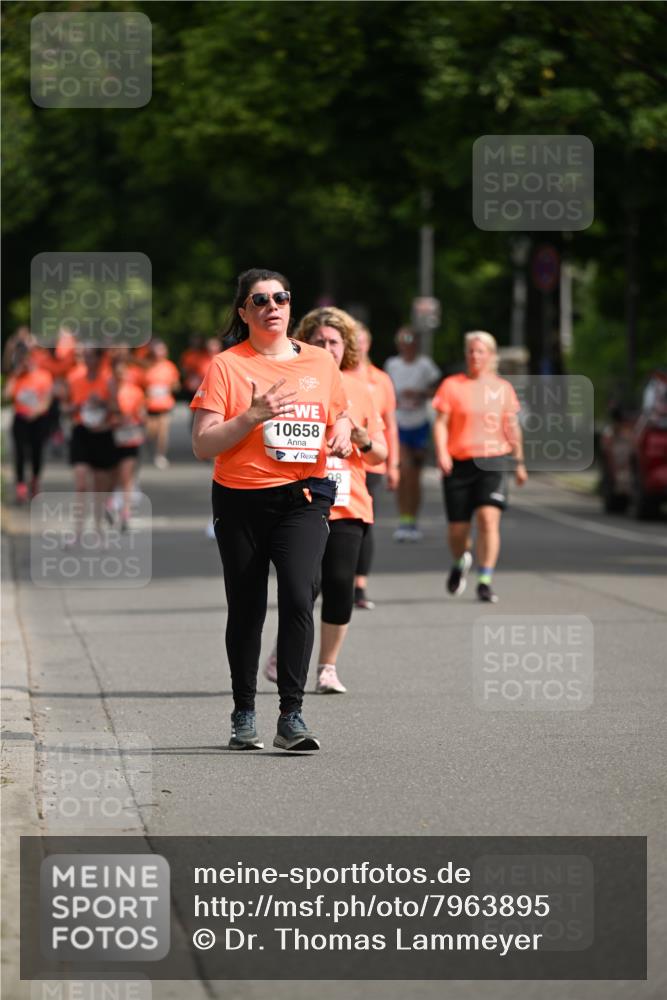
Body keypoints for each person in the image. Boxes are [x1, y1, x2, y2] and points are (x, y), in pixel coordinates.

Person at [191, 268, 352, 752]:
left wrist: (342, 429)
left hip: (303, 498)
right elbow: (202, 443)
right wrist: (252, 416)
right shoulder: (227, 366)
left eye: (280, 297)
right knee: (247, 606)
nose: (272, 306)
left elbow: (338, 410)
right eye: (259, 300)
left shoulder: (321, 363)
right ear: (244, 312)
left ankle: (292, 716)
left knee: (300, 596)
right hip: (240, 499)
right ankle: (244, 713)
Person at [293, 308, 386, 692]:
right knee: (303, 586)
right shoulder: (293, 383)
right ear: (305, 344)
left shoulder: (362, 389)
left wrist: (359, 437)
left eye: (334, 341)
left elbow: (379, 453)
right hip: (299, 498)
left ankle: (326, 668)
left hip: (348, 501)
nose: (327, 347)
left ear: (346, 347)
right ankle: (289, 650)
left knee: (339, 582)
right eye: (319, 341)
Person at [432, 330, 527, 603]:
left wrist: (519, 462)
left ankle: (485, 579)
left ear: (491, 356)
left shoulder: (502, 388)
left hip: (493, 460)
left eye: (480, 351)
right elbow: (440, 423)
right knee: (457, 530)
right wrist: (442, 453)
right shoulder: (451, 385)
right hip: (458, 463)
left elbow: (511, 426)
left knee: (488, 519)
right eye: (471, 351)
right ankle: (461, 560)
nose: (475, 356)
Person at [350, 321, 400, 609]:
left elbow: (390, 425)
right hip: (341, 462)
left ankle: (359, 585)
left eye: (362, 340)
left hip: (372, 463)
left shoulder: (380, 380)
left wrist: (394, 465)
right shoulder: (336, 375)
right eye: (352, 339)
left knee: (364, 523)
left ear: (369, 344)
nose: (357, 345)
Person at [384, 327, 440, 541]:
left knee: (415, 476)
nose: (407, 345)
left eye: (410, 341)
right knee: (404, 472)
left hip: (419, 423)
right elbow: (385, 390)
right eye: (403, 341)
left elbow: (437, 390)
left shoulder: (425, 365)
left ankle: (412, 520)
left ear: (416, 344)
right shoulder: (392, 365)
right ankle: (403, 519)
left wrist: (419, 393)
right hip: (398, 423)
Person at [63, 348, 117, 537]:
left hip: (102, 434)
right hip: (81, 432)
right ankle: (77, 531)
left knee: (99, 486)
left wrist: (101, 402)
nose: (86, 360)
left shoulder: (108, 379)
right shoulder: (74, 378)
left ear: (99, 358)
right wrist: (76, 406)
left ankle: (99, 527)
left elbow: (115, 407)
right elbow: (64, 407)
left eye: (90, 357)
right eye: (84, 356)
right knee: (81, 484)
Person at [4, 343, 53, 502]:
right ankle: (20, 485)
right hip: (20, 418)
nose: (26, 362)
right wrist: (15, 375)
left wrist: (36, 412)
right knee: (19, 452)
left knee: (36, 451)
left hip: (38, 419)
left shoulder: (44, 375)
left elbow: (47, 399)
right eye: (23, 360)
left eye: (28, 359)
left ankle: (35, 479)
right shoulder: (17, 376)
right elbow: (6, 395)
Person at [109, 355, 147, 530]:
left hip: (130, 436)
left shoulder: (135, 391)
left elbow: (142, 414)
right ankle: (110, 503)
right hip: (109, 436)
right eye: (117, 371)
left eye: (124, 371)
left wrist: (135, 418)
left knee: (127, 476)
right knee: (113, 475)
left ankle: (125, 512)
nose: (121, 374)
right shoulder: (107, 390)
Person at [144, 340, 180, 468]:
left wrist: (169, 388)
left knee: (163, 431)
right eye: (157, 350)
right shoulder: (146, 366)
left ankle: (160, 455)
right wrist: (147, 391)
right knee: (150, 432)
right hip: (149, 404)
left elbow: (176, 385)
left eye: (162, 350)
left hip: (165, 404)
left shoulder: (169, 367)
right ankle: (150, 450)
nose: (159, 353)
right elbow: (140, 384)